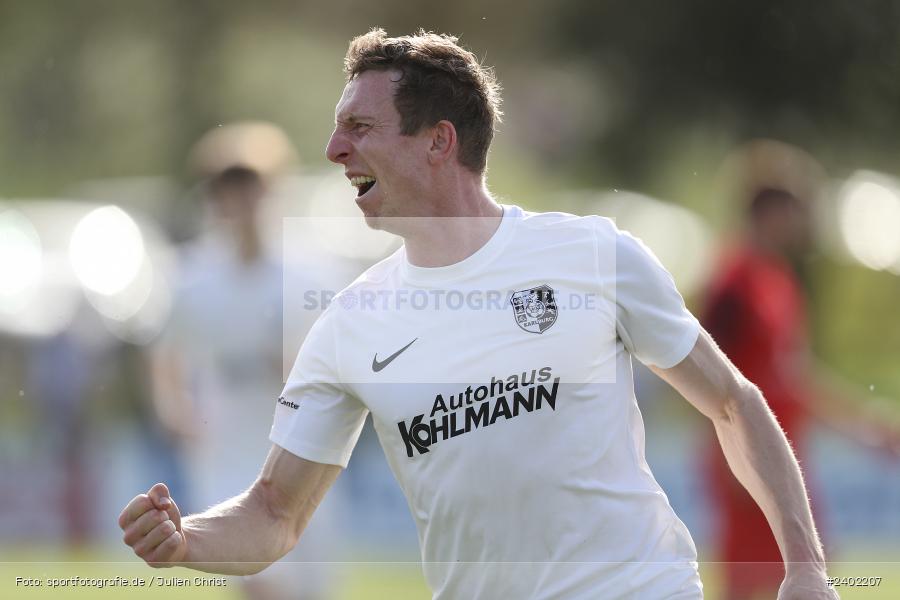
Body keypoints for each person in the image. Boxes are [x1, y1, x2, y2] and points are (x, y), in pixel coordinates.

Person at [120, 29, 838, 599]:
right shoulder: (349, 322)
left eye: (359, 127)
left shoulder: (592, 254)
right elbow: (275, 513)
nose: (334, 150)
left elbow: (733, 404)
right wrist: (188, 541)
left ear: (439, 141)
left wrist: (804, 565)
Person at [149, 122, 339, 600]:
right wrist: (175, 410)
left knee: (311, 579)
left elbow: (338, 358)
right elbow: (166, 353)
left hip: (300, 442)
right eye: (230, 192)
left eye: (253, 190)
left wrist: (297, 371)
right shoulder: (192, 278)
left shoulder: (307, 274)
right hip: (226, 440)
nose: (244, 204)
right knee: (257, 576)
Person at [702, 142, 900, 599]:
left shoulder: (778, 281)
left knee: (813, 568)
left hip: (785, 455)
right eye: (796, 209)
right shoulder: (732, 281)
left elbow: (794, 377)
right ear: (771, 210)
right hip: (749, 457)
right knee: (760, 581)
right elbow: (700, 375)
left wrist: (863, 426)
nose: (802, 222)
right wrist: (730, 455)